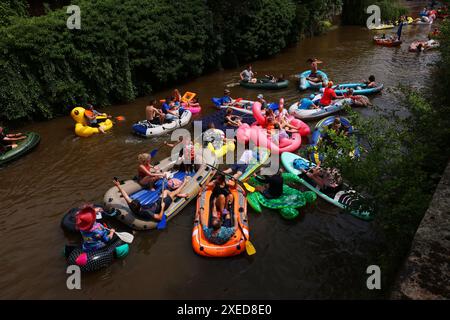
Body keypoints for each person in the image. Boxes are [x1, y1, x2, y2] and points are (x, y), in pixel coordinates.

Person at [113, 177, 189, 221]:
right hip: (160, 206)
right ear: (140, 206)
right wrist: (162, 207)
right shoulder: (145, 212)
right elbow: (159, 218)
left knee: (165, 191)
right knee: (173, 193)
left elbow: (125, 195)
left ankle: (177, 194)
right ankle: (184, 184)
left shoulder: (131, 205)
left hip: (155, 203)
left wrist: (118, 186)